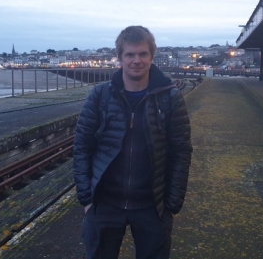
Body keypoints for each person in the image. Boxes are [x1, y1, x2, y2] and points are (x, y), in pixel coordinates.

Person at [73, 25, 193, 259]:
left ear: (151, 56)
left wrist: (171, 204)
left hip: (152, 205)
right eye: (130, 54)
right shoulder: (100, 96)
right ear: (120, 58)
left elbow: (181, 151)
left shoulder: (170, 98)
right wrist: (87, 199)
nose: (136, 60)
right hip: (104, 204)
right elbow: (81, 147)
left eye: (142, 54)